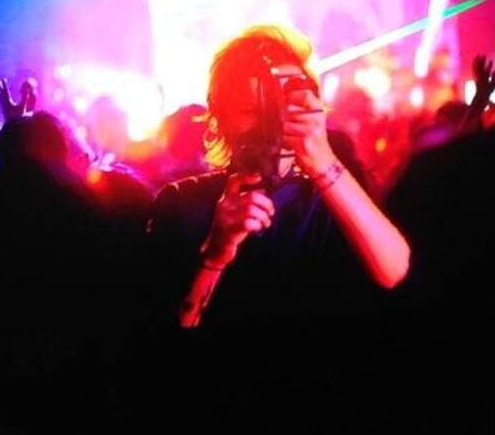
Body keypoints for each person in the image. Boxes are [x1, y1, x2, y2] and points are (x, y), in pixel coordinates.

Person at [146, 24, 411, 329]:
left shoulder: (333, 196)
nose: (270, 124)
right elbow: (163, 331)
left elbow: (395, 272)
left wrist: (321, 159)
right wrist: (214, 256)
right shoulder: (181, 204)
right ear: (220, 113)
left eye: (284, 107)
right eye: (250, 109)